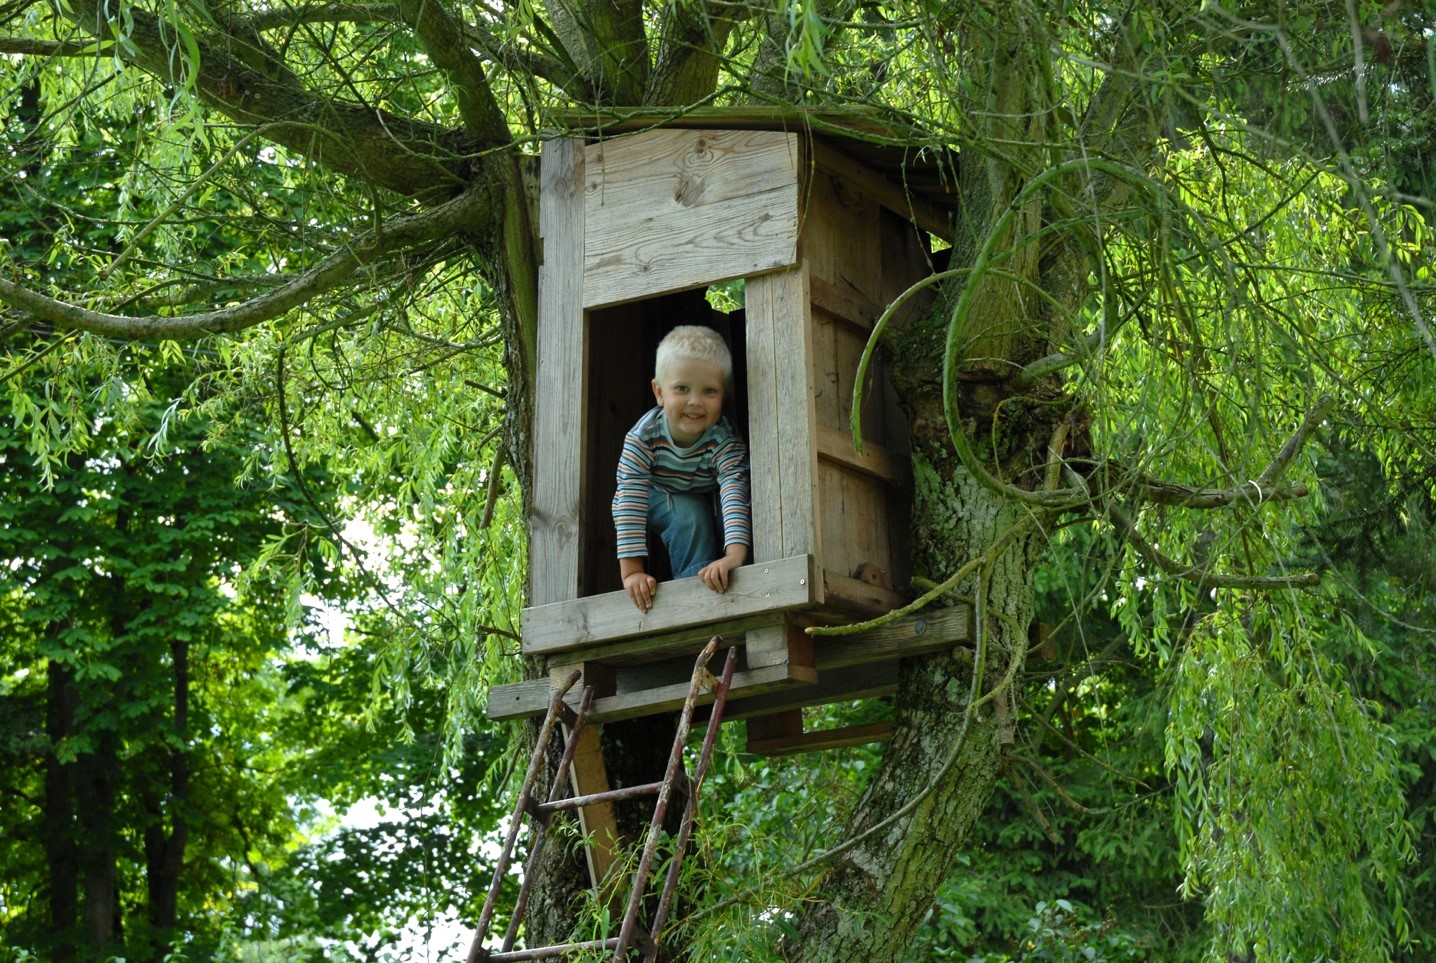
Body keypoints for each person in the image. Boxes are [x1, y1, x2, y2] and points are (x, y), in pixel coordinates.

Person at [612, 325, 751, 613]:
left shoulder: (723, 439)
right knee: (690, 514)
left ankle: (724, 578)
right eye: (682, 388)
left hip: (703, 492)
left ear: (723, 396)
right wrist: (632, 572)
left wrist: (735, 556)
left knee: (731, 506)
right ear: (659, 392)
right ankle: (696, 596)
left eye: (709, 391)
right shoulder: (643, 438)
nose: (695, 401)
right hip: (651, 493)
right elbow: (629, 501)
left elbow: (735, 490)